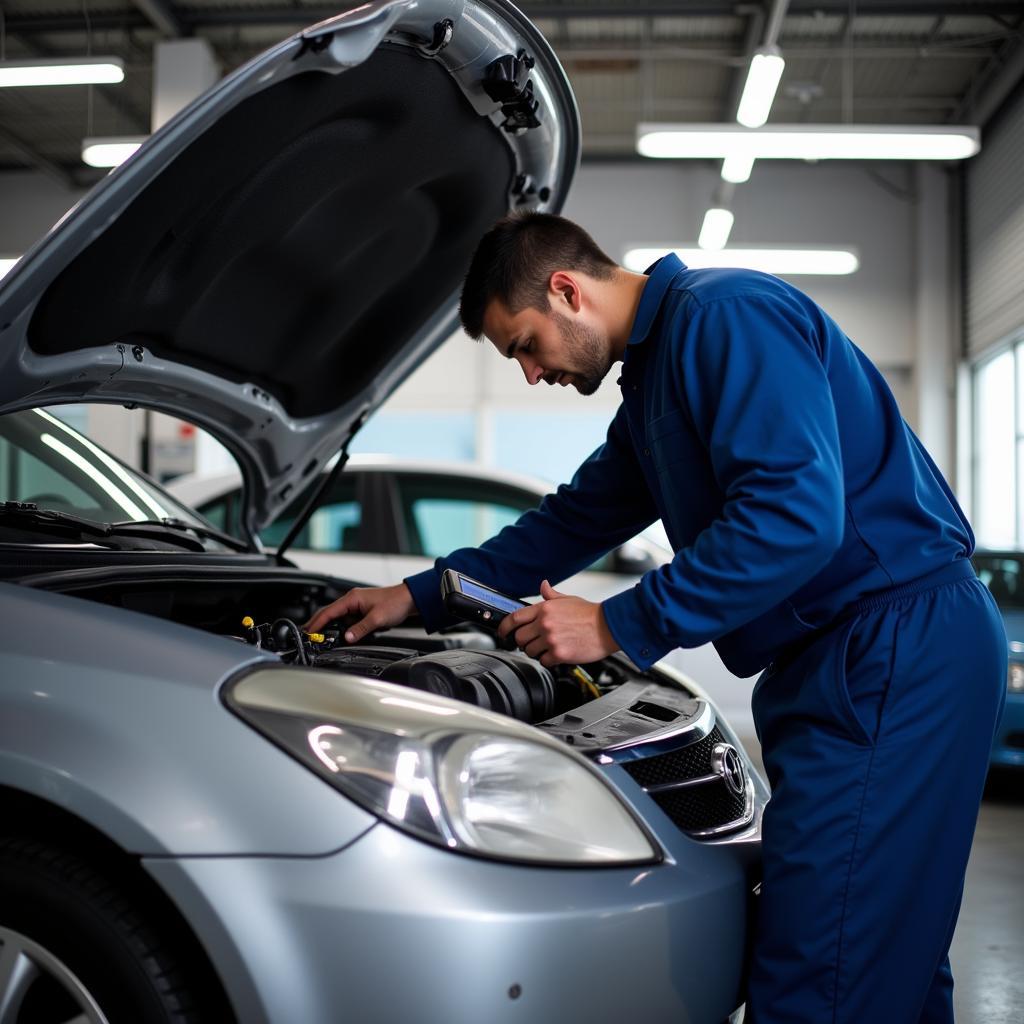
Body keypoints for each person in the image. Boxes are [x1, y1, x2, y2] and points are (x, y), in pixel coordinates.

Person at [306, 212, 1006, 1023]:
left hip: (894, 649)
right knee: (889, 957)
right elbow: (574, 518)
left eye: (524, 345)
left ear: (566, 292)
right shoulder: (657, 382)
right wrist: (418, 596)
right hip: (849, 656)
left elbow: (794, 517)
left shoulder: (723, 317)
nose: (530, 373)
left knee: (825, 966)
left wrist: (615, 625)